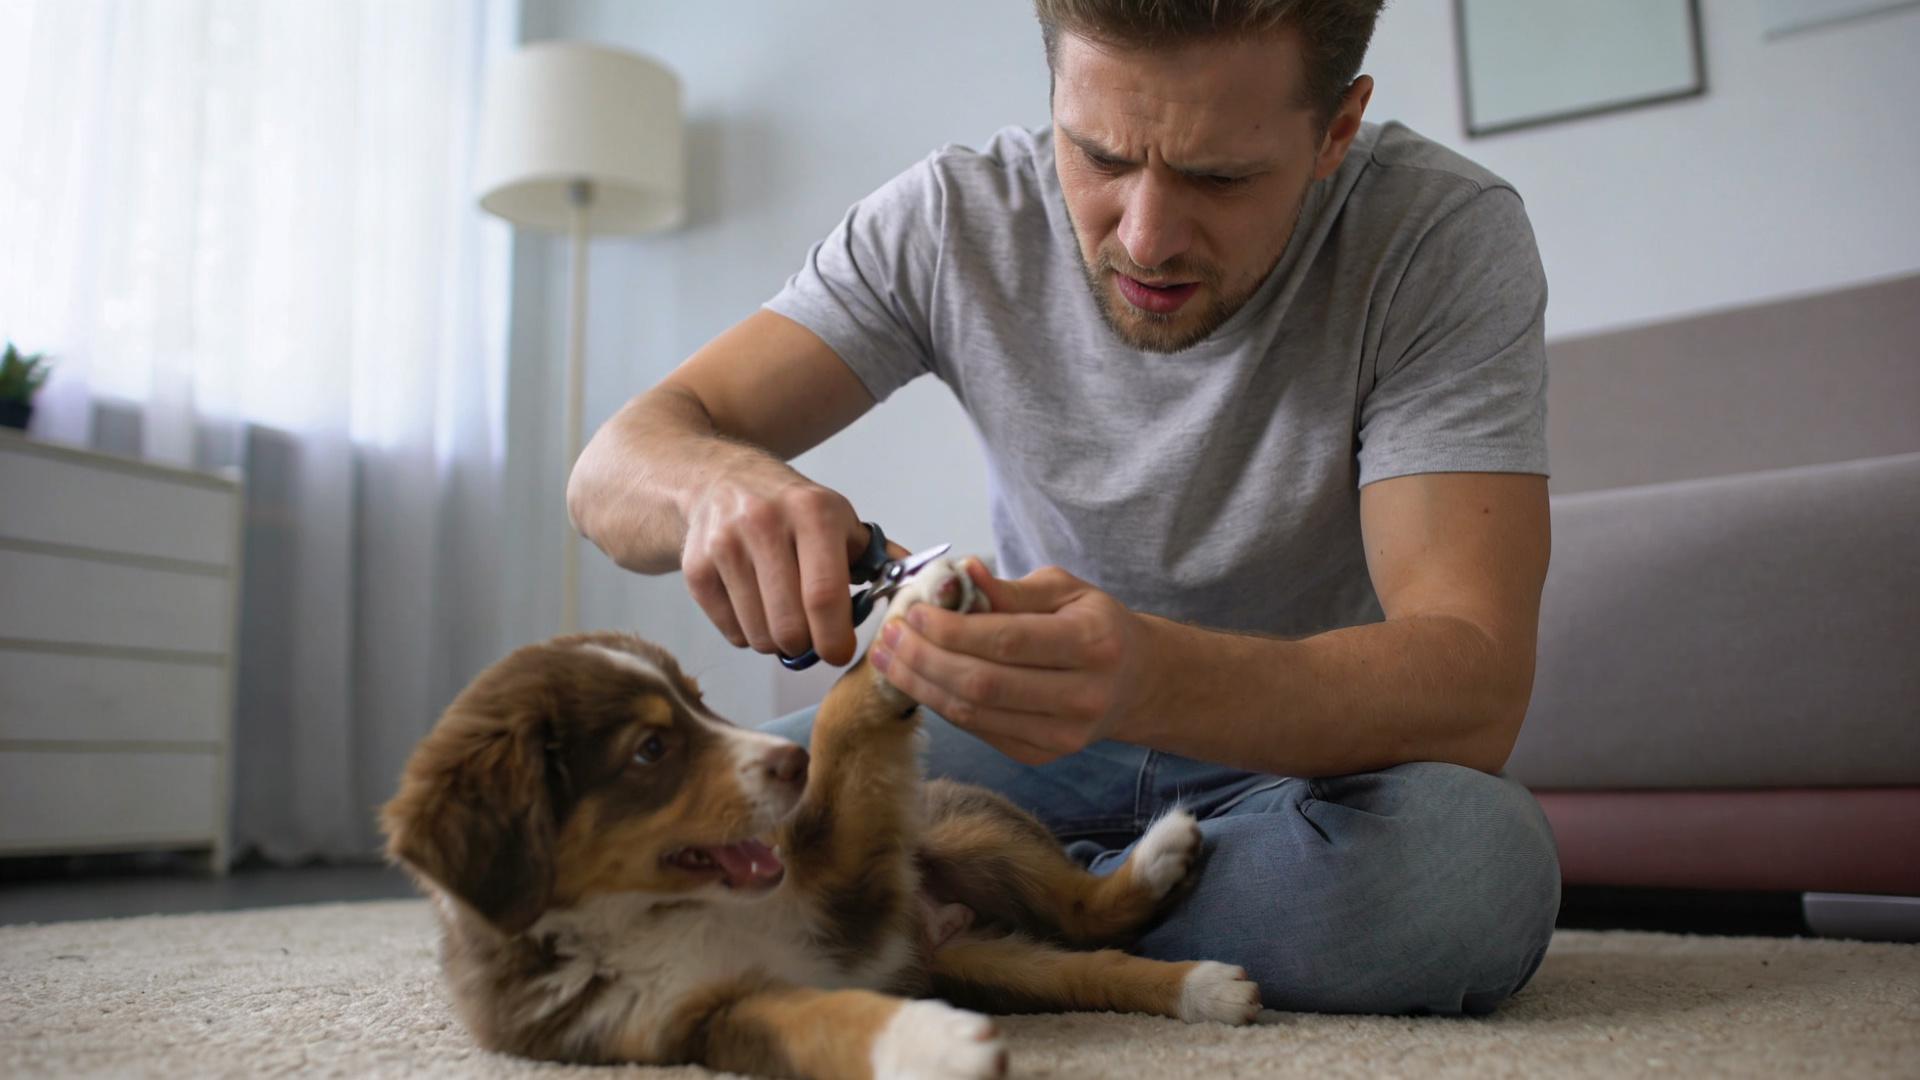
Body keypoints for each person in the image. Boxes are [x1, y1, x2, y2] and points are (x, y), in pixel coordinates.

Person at [568, 0, 1561, 1016]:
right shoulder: (955, 215)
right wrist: (721, 487)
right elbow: (609, 472)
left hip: (1296, 766)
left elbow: (1475, 685)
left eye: (1219, 176)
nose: (1147, 237)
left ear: (1335, 132)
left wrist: (1146, 674)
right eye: (1098, 157)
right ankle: (1032, 902)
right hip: (1009, 745)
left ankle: (972, 910)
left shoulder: (1439, 235)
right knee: (664, 820)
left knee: (1468, 879)